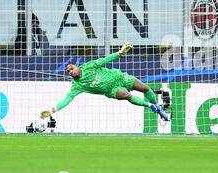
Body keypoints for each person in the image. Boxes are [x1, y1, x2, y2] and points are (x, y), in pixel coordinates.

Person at [33, 42, 171, 127]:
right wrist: (52, 110)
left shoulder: (89, 66)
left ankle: (158, 108)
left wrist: (120, 52)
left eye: (72, 68)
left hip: (120, 77)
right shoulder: (77, 85)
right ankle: (153, 106)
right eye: (68, 71)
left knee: (145, 88)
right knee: (126, 95)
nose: (70, 71)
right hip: (112, 89)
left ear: (77, 66)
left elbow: (105, 60)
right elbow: (67, 100)